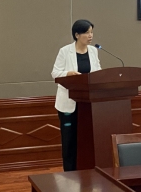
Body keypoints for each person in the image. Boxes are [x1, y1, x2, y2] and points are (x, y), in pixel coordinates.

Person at [51, 19, 101, 171]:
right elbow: (55, 73)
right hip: (69, 103)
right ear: (77, 35)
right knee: (69, 139)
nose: (90, 36)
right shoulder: (65, 51)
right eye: (86, 32)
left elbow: (97, 73)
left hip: (88, 103)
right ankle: (70, 172)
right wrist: (68, 73)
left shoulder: (93, 51)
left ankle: (87, 172)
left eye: (91, 32)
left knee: (87, 138)